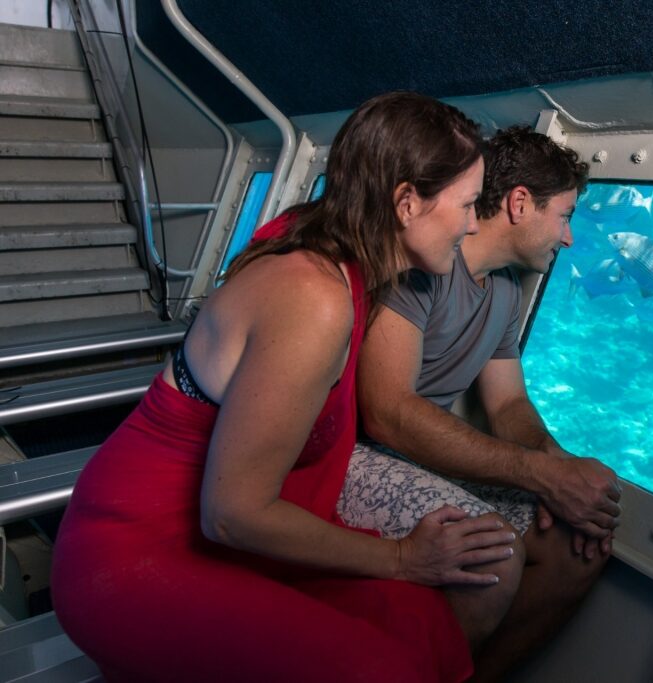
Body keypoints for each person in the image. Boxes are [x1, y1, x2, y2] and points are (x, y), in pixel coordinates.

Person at [50, 92, 519, 683]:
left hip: (213, 529)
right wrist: (402, 557)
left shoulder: (335, 249)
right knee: (378, 668)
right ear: (406, 203)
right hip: (135, 550)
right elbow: (232, 514)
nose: (474, 224)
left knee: (418, 617)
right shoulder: (313, 298)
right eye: (469, 204)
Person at [342, 125, 622, 680]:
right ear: (520, 203)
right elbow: (389, 413)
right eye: (564, 216)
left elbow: (509, 407)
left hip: (418, 455)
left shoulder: (505, 288)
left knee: (573, 546)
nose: (568, 238)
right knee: (494, 557)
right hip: (359, 451)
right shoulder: (421, 266)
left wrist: (568, 478)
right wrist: (539, 477)